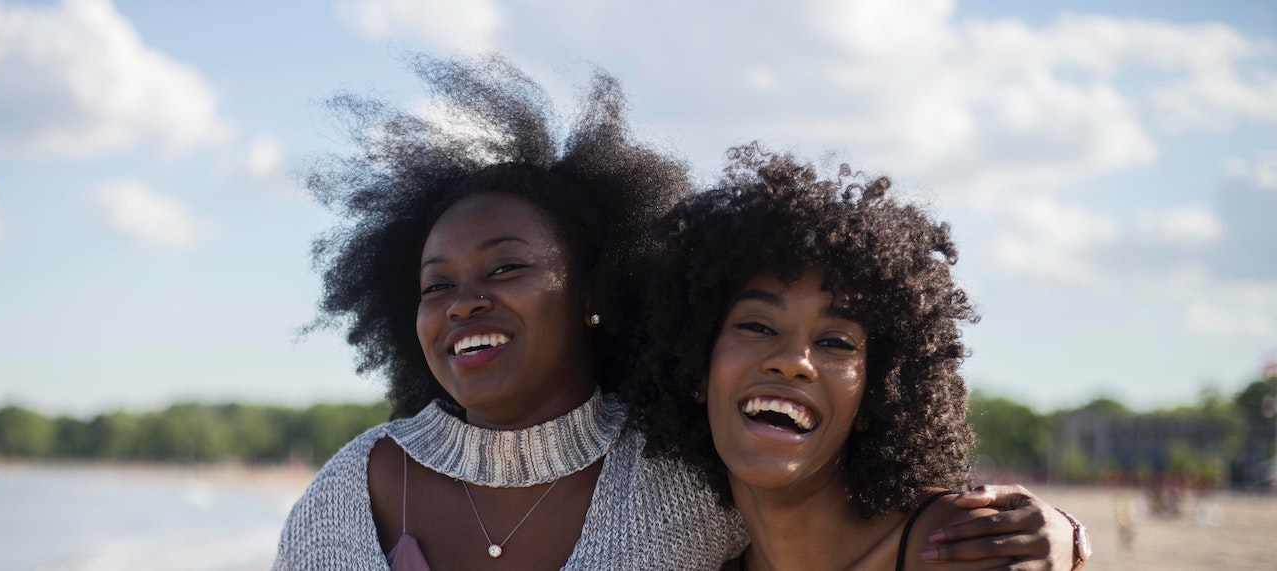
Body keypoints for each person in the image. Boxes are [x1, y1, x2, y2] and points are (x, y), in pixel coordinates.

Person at [274, 55, 1079, 570]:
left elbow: (850, 505)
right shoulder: (346, 496)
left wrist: (1061, 531)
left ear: (594, 294)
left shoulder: (683, 474)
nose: (464, 303)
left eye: (507, 267)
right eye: (435, 284)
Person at [625, 146, 1088, 570]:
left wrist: (1070, 544)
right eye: (757, 326)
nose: (792, 361)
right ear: (696, 368)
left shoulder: (959, 545)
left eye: (836, 342)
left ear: (875, 396)